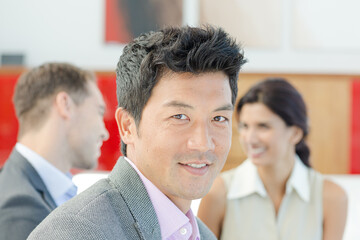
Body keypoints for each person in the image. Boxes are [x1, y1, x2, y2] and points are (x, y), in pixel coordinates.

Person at [28, 26, 246, 240]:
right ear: (127, 126)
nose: (203, 144)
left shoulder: (201, 235)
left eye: (219, 119)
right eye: (179, 117)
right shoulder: (75, 233)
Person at [198, 78, 348, 240]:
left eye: (263, 126)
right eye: (245, 126)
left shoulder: (331, 197)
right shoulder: (217, 194)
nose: (250, 139)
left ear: (295, 133)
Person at [0, 62, 109, 240]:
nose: (104, 133)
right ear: (65, 104)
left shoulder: (21, 189)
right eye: (99, 111)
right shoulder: (20, 212)